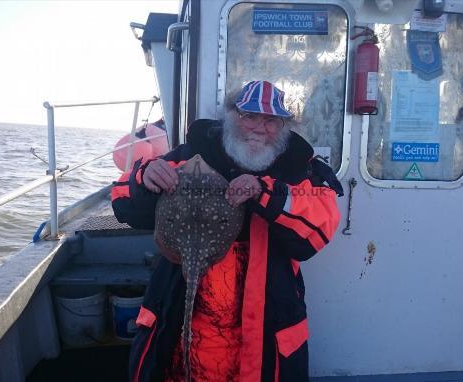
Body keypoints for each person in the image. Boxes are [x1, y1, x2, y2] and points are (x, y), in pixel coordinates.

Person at [112, 80, 343, 381]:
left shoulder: (301, 170)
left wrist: (266, 193)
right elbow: (121, 199)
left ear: (284, 127)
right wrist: (144, 177)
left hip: (262, 336)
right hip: (182, 318)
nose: (260, 127)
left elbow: (320, 225)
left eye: (271, 120)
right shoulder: (191, 156)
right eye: (250, 116)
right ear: (232, 117)